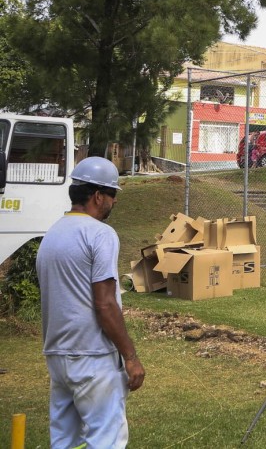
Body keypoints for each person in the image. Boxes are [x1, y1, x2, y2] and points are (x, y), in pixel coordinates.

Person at [36, 156, 146, 448]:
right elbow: (105, 303)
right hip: (93, 358)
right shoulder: (100, 234)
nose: (114, 202)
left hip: (57, 356)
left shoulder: (52, 234)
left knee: (63, 441)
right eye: (112, 195)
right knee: (106, 440)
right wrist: (131, 358)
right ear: (98, 196)